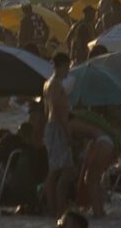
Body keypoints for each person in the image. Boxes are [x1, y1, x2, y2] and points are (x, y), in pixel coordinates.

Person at [44, 53, 75, 217]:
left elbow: (46, 111)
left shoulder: (49, 84)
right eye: (67, 67)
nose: (68, 71)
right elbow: (55, 111)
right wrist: (66, 132)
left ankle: (56, 206)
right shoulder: (54, 84)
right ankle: (56, 207)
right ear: (60, 66)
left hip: (53, 127)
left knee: (60, 170)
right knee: (60, 170)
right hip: (57, 128)